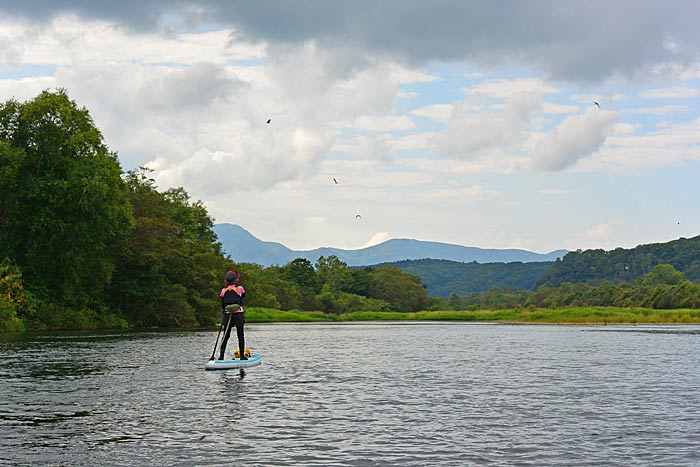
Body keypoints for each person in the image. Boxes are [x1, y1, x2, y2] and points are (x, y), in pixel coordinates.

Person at [218, 270, 247, 361]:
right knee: (240, 335)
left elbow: (223, 304)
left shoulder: (223, 290)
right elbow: (243, 296)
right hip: (238, 314)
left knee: (225, 336)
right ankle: (242, 355)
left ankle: (221, 356)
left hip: (227, 315)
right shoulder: (239, 288)